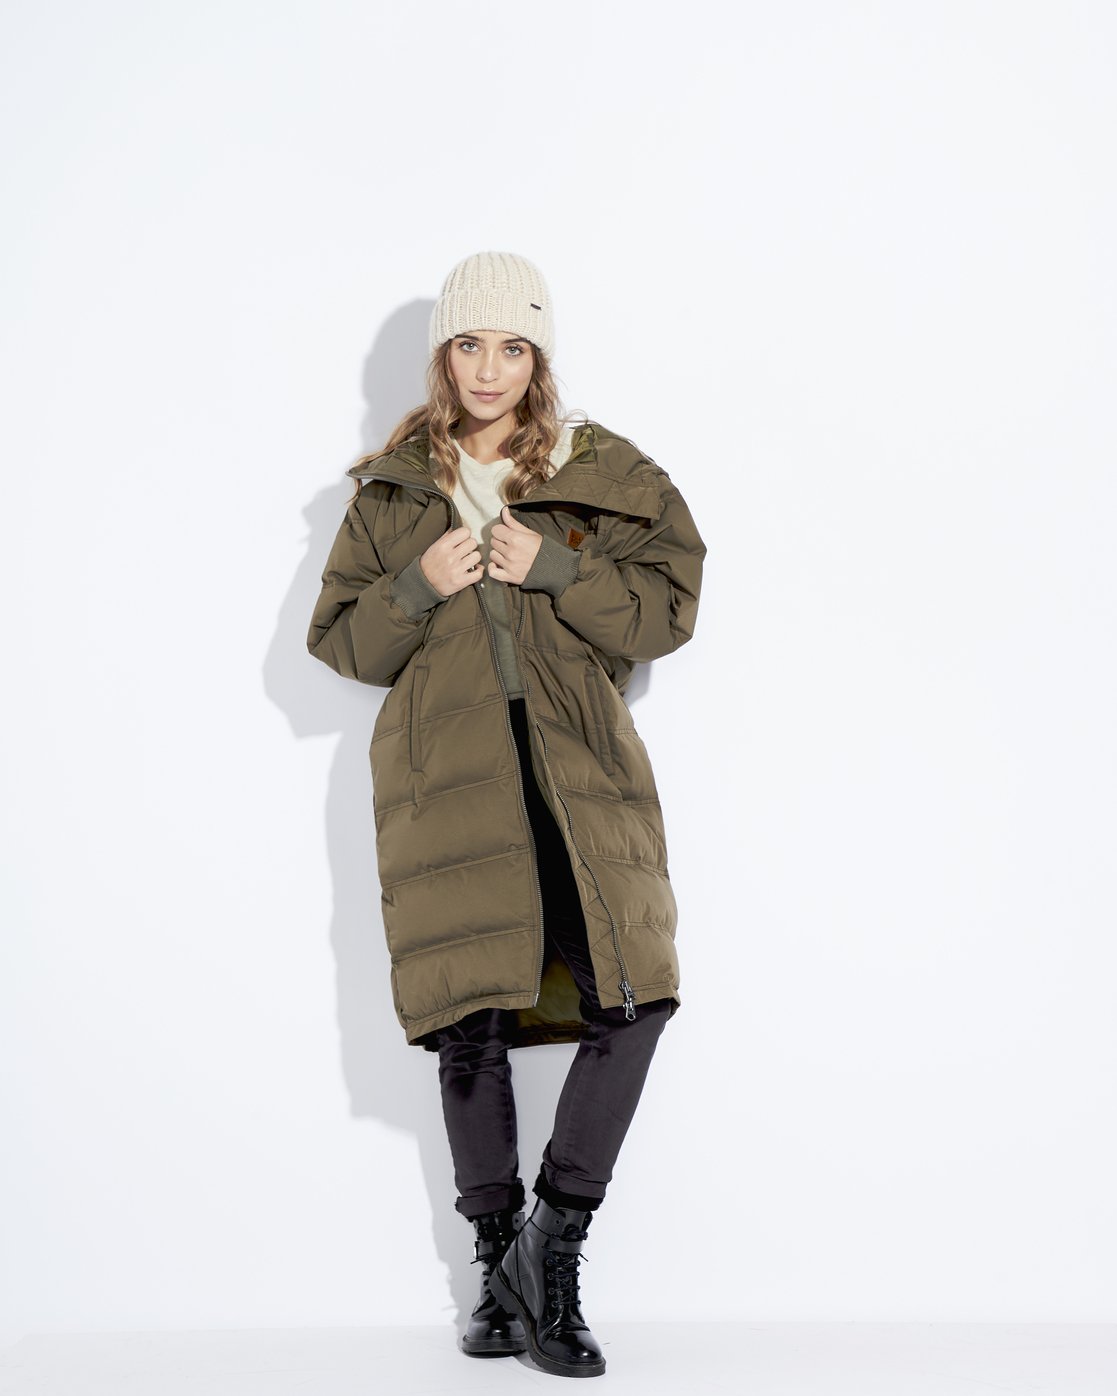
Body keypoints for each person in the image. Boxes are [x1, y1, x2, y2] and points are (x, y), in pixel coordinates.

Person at [306, 251, 706, 1378]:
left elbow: (668, 610)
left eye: (513, 346)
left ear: (539, 357)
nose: (489, 369)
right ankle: (498, 1275)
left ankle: (550, 1246)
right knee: (470, 1021)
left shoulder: (601, 471)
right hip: (447, 780)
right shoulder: (391, 492)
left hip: (577, 774)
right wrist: (416, 585)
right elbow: (339, 643)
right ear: (444, 355)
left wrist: (559, 571)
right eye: (469, 345)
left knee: (636, 996)